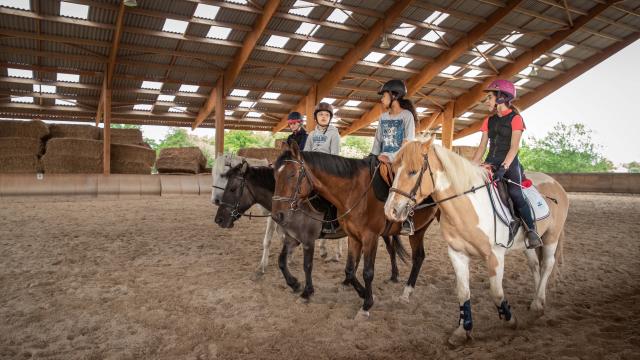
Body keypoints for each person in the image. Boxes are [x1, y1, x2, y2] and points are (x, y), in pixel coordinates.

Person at [471, 79, 542, 249]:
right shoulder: (488, 120)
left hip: (509, 164)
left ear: (501, 97)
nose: (486, 101)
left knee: (516, 194)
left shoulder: (516, 118)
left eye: (489, 97)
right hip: (490, 162)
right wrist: (472, 166)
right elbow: (482, 146)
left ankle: (531, 230)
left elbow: (514, 146)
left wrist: (504, 167)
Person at [370, 79, 418, 235]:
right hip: (382, 157)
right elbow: (378, 140)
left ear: (394, 96)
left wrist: (390, 157)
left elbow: (408, 142)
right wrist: (372, 155)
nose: (382, 99)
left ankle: (408, 218)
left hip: (400, 160)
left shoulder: (407, 116)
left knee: (403, 184)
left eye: (384, 95)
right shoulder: (383, 117)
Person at [303, 102, 341, 233]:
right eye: (320, 114)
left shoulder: (334, 134)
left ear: (330, 118)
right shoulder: (312, 134)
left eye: (326, 115)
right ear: (316, 117)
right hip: (312, 169)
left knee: (328, 193)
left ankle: (331, 221)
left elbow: (335, 154)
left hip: (327, 168)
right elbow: (306, 153)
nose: (323, 117)